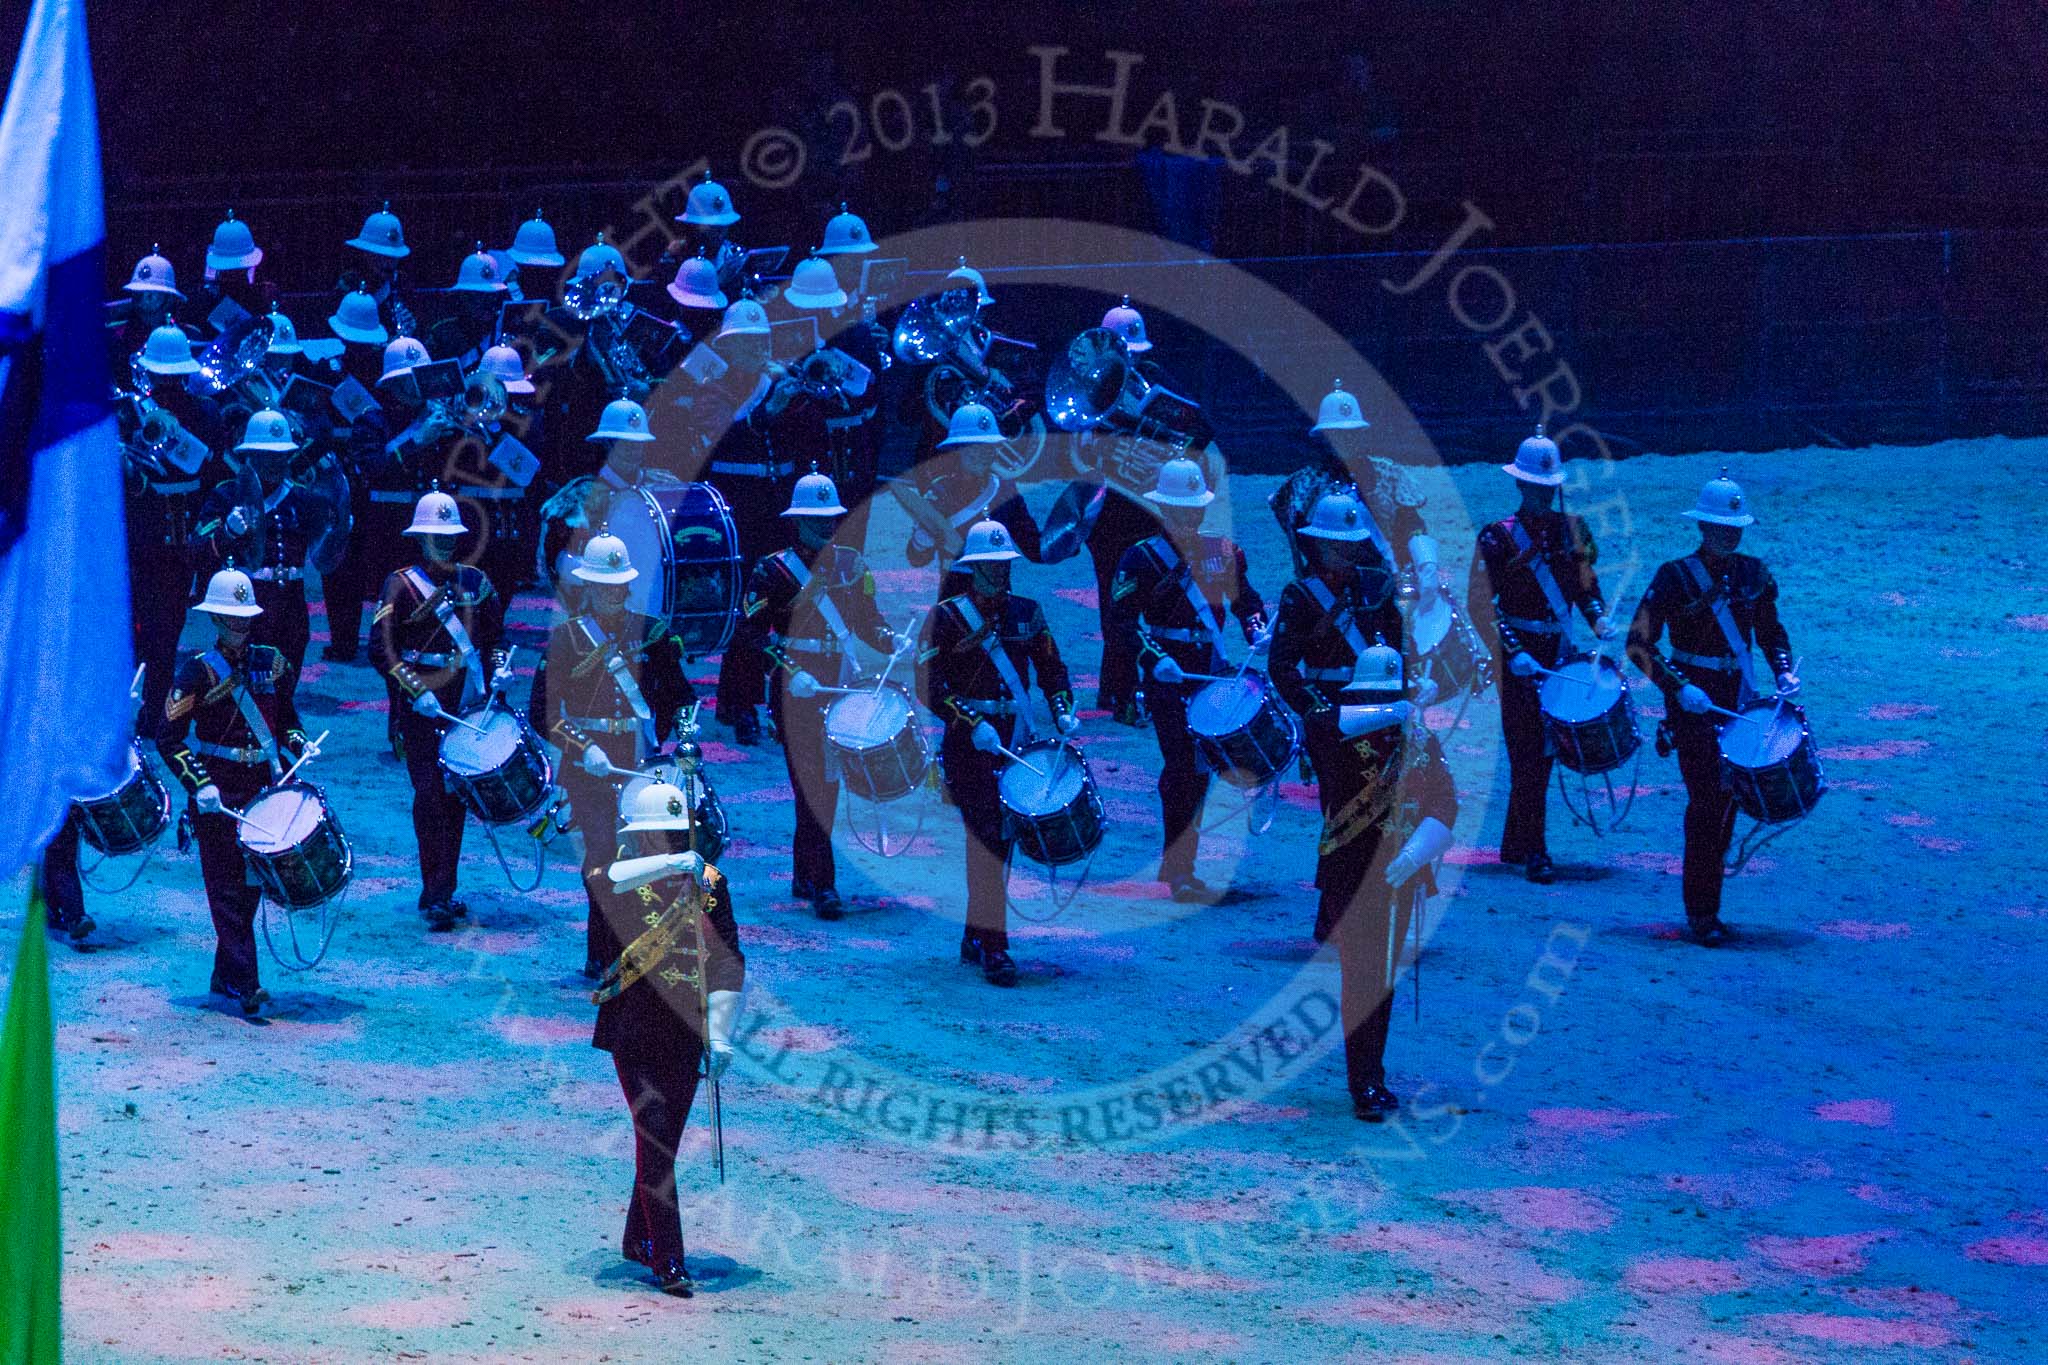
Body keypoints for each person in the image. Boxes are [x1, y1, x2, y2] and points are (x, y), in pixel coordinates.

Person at [1268, 491, 1454, 1118]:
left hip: (1386, 706)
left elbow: (1405, 646)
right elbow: (1284, 668)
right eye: (1332, 544)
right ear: (1315, 544)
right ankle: (1342, 899)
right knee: (1349, 818)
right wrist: (1325, 715)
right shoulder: (1299, 598)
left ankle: (1353, 901)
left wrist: (1411, 692)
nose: (1343, 554)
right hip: (1335, 719)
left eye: (1350, 544)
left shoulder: (1379, 588)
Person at [1626, 471, 1800, 946]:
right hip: (1693, 704)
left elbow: (1770, 631)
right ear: (1703, 527)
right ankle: (1702, 913)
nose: (1731, 533)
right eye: (1723, 526)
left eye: (1737, 526)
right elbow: (1638, 645)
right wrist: (1678, 688)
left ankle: (1709, 896)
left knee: (1730, 801)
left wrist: (1782, 669)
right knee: (1707, 802)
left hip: (1738, 699)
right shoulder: (1675, 577)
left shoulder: (1755, 575)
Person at [589, 782, 744, 1296]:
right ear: (641, 834)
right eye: (662, 833)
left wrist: (721, 1035)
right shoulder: (615, 874)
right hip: (633, 1030)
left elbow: (727, 962)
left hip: (686, 1032)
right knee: (655, 1139)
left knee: (664, 1145)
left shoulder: (711, 883)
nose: (672, 840)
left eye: (679, 832)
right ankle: (669, 1261)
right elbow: (607, 881)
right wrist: (676, 868)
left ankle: (639, 1239)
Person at [914, 520, 1079, 986]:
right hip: (971, 743)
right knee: (985, 838)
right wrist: (969, 723)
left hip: (1016, 736)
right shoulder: (946, 619)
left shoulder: (1028, 613)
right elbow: (927, 683)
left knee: (1001, 842)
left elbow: (1052, 668)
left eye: (1005, 566)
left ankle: (976, 933)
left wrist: (1063, 710)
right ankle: (997, 946)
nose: (1000, 575)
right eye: (990, 567)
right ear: (972, 569)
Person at [739, 471, 901, 919]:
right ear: (798, 521)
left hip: (842, 686)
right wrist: (785, 666)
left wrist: (895, 641)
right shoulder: (772, 570)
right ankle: (824, 883)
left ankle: (805, 871)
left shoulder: (853, 566)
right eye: (817, 518)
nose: (827, 527)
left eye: (831, 518)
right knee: (816, 784)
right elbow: (751, 632)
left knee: (825, 786)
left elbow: (870, 623)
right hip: (798, 690)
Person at [535, 533, 696, 978]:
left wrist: (682, 745)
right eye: (603, 585)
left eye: (618, 584)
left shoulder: (651, 631)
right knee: (604, 853)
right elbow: (543, 712)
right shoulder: (566, 639)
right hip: (590, 767)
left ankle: (642, 942)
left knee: (646, 854)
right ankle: (601, 947)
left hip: (642, 760)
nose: (612, 593)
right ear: (588, 586)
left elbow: (682, 697)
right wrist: (582, 746)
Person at [156, 568, 312, 1016]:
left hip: (263, 790)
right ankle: (248, 984)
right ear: (215, 619)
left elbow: (287, 721)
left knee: (250, 888)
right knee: (225, 888)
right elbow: (168, 737)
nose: (238, 625)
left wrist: (299, 746)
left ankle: (226, 975)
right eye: (228, 617)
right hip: (218, 794)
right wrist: (199, 784)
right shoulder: (196, 673)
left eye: (243, 616)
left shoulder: (274, 663)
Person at [1107, 457, 1264, 901]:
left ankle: (1175, 862)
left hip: (1209, 671)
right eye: (1180, 511)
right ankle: (1181, 869)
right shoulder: (1139, 559)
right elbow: (1120, 623)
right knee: (1184, 765)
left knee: (1200, 769)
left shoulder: (1224, 552)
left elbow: (1246, 601)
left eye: (1194, 510)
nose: (1188, 519)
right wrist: (1152, 659)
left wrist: (1257, 628)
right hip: (1167, 677)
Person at [1465, 427, 1616, 884]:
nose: (1544, 495)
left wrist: (1598, 618)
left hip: (1560, 653)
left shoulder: (1575, 532)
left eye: (1550, 488)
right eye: (1536, 487)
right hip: (1519, 657)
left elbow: (1586, 588)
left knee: (1542, 756)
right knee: (1527, 753)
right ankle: (1536, 850)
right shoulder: (1496, 538)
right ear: (1519, 485)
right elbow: (1479, 607)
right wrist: (1511, 653)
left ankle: (1517, 841)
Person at [371, 489, 511, 930]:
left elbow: (496, 638)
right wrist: (414, 691)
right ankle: (435, 891)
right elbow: (381, 648)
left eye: (450, 535)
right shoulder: (401, 584)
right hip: (421, 707)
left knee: (457, 799)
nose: (444, 542)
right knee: (430, 795)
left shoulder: (477, 582)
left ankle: (443, 888)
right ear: (421, 537)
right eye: (436, 535)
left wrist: (502, 672)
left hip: (465, 701)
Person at [691, 297, 794, 745]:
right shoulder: (715, 388)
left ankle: (783, 699)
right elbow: (719, 431)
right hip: (740, 511)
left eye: (760, 341)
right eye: (746, 342)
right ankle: (739, 702)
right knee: (749, 610)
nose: (755, 349)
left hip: (780, 506)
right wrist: (768, 404)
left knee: (788, 602)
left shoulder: (776, 383)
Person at [194, 409, 335, 709]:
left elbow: (329, 545)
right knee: (250, 688)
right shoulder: (227, 495)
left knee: (286, 683)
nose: (273, 462)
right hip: (249, 603)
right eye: (265, 455)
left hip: (292, 603)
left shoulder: (302, 498)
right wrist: (228, 533)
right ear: (250, 456)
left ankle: (281, 747)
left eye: (280, 455)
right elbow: (198, 550)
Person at [1269, 380, 1428, 577]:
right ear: (1325, 437)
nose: (1346, 440)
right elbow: (1296, 532)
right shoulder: (1304, 484)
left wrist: (1425, 558)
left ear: (1361, 434)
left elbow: (1413, 524)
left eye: (1351, 433)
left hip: (1389, 574)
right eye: (1337, 434)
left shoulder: (1389, 474)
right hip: (1331, 579)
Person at [901, 401, 1042, 603]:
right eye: (972, 447)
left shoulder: (1005, 490)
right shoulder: (939, 493)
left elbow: (1034, 548)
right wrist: (923, 538)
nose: (982, 454)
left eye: (988, 446)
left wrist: (1071, 529)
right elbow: (916, 557)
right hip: (957, 604)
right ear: (956, 450)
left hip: (1000, 600)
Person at [337, 201, 419, 338]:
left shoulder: (402, 282)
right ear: (367, 253)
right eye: (382, 256)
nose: (389, 263)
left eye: (393, 257)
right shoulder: (350, 284)